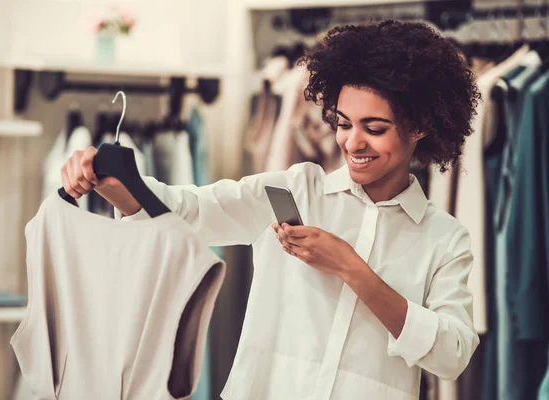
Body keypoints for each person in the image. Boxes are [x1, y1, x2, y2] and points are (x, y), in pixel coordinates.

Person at [61, 20, 481, 400]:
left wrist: (352, 269)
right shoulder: (296, 190)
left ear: (421, 125)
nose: (353, 143)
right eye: (343, 123)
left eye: (374, 128)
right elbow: (190, 210)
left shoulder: (443, 237)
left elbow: (452, 355)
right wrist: (116, 182)